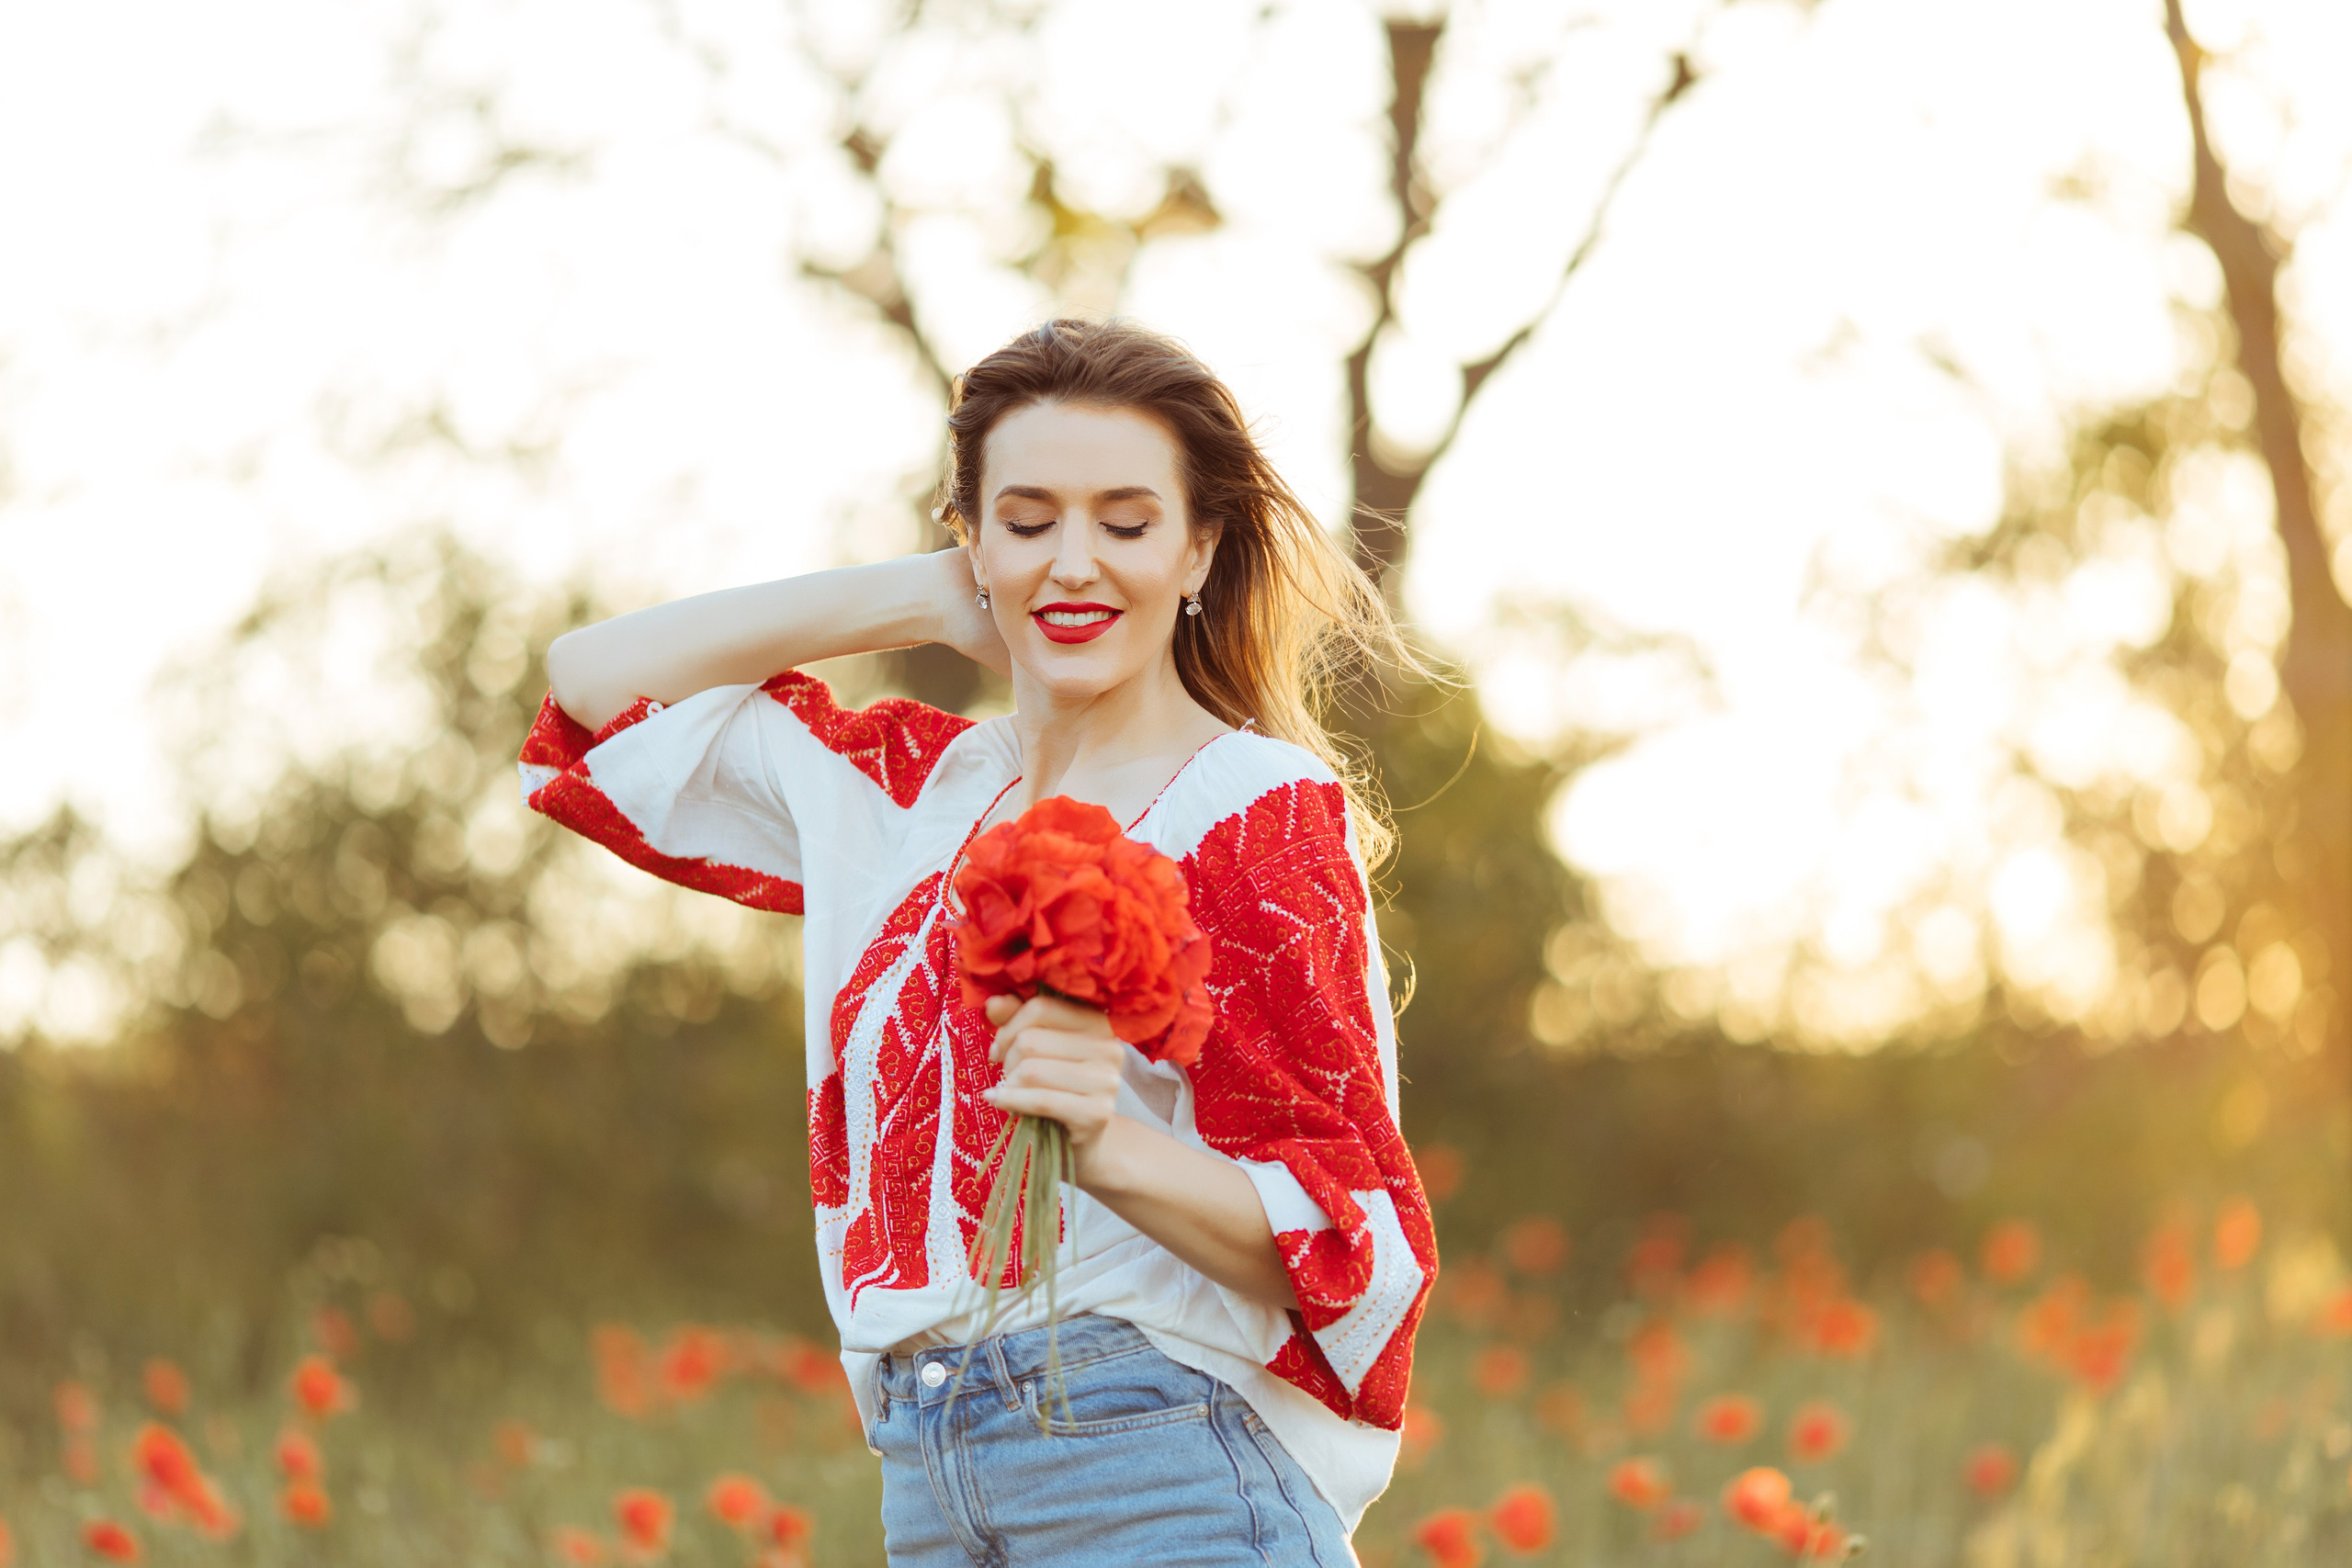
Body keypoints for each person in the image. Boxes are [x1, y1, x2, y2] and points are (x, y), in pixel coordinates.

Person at [522, 319, 1438, 1565]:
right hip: (928, 1475)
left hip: (1159, 1467)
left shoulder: (1251, 808)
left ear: (1200, 549)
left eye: (1126, 524)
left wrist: (1104, 1147)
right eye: (1029, 520)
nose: (1076, 563)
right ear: (972, 538)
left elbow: (1355, 1240)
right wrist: (920, 597)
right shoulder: (909, 794)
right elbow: (591, 690)